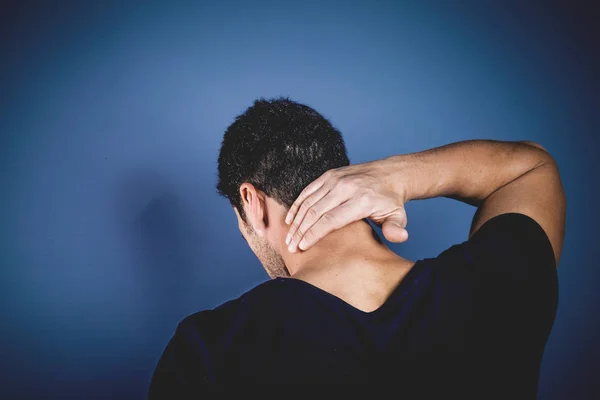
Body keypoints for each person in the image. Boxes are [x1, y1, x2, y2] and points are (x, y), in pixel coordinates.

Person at [148, 97, 565, 396]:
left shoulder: (207, 351)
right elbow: (531, 166)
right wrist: (400, 176)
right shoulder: (495, 289)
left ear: (252, 204)